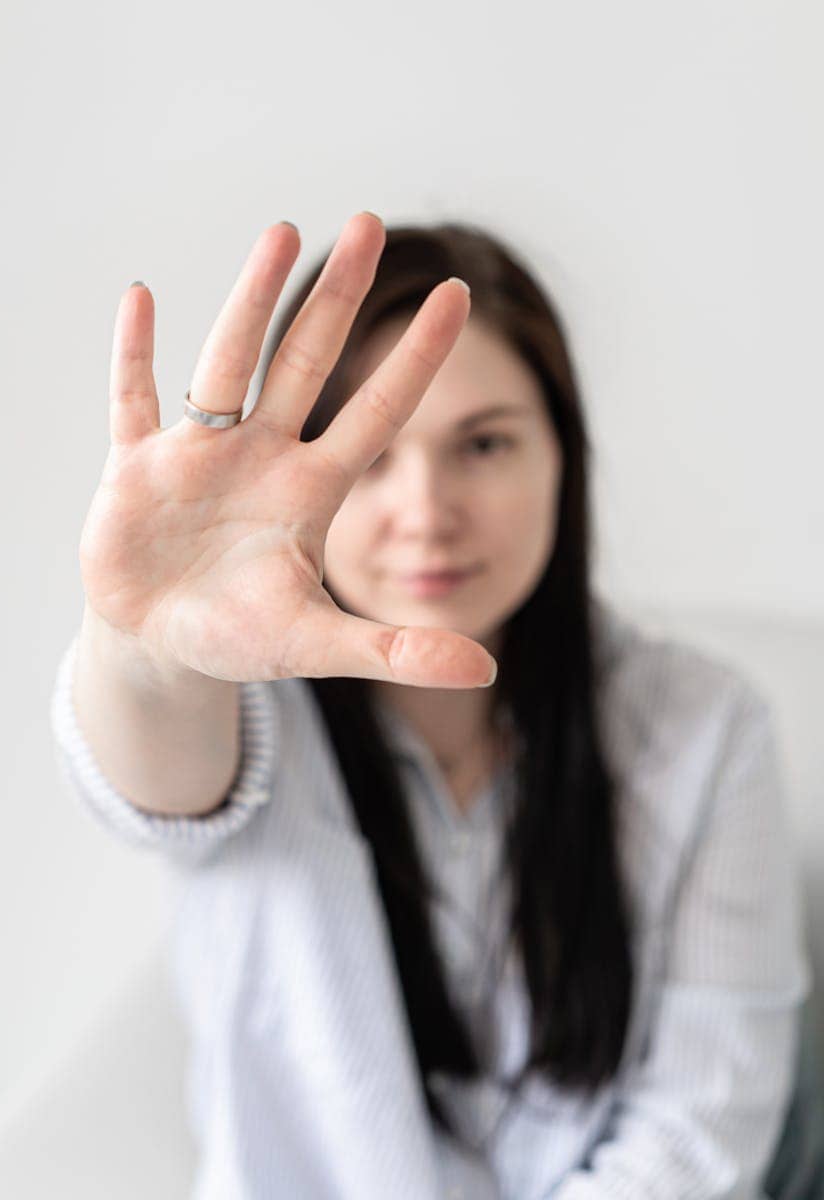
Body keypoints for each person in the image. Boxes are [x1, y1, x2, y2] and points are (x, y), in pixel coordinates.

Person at [50, 212, 821, 1198]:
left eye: (485, 445)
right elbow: (146, 774)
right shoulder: (247, 709)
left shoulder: (706, 729)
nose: (427, 511)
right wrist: (141, 640)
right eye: (371, 455)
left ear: (563, 456)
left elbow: (701, 1132)